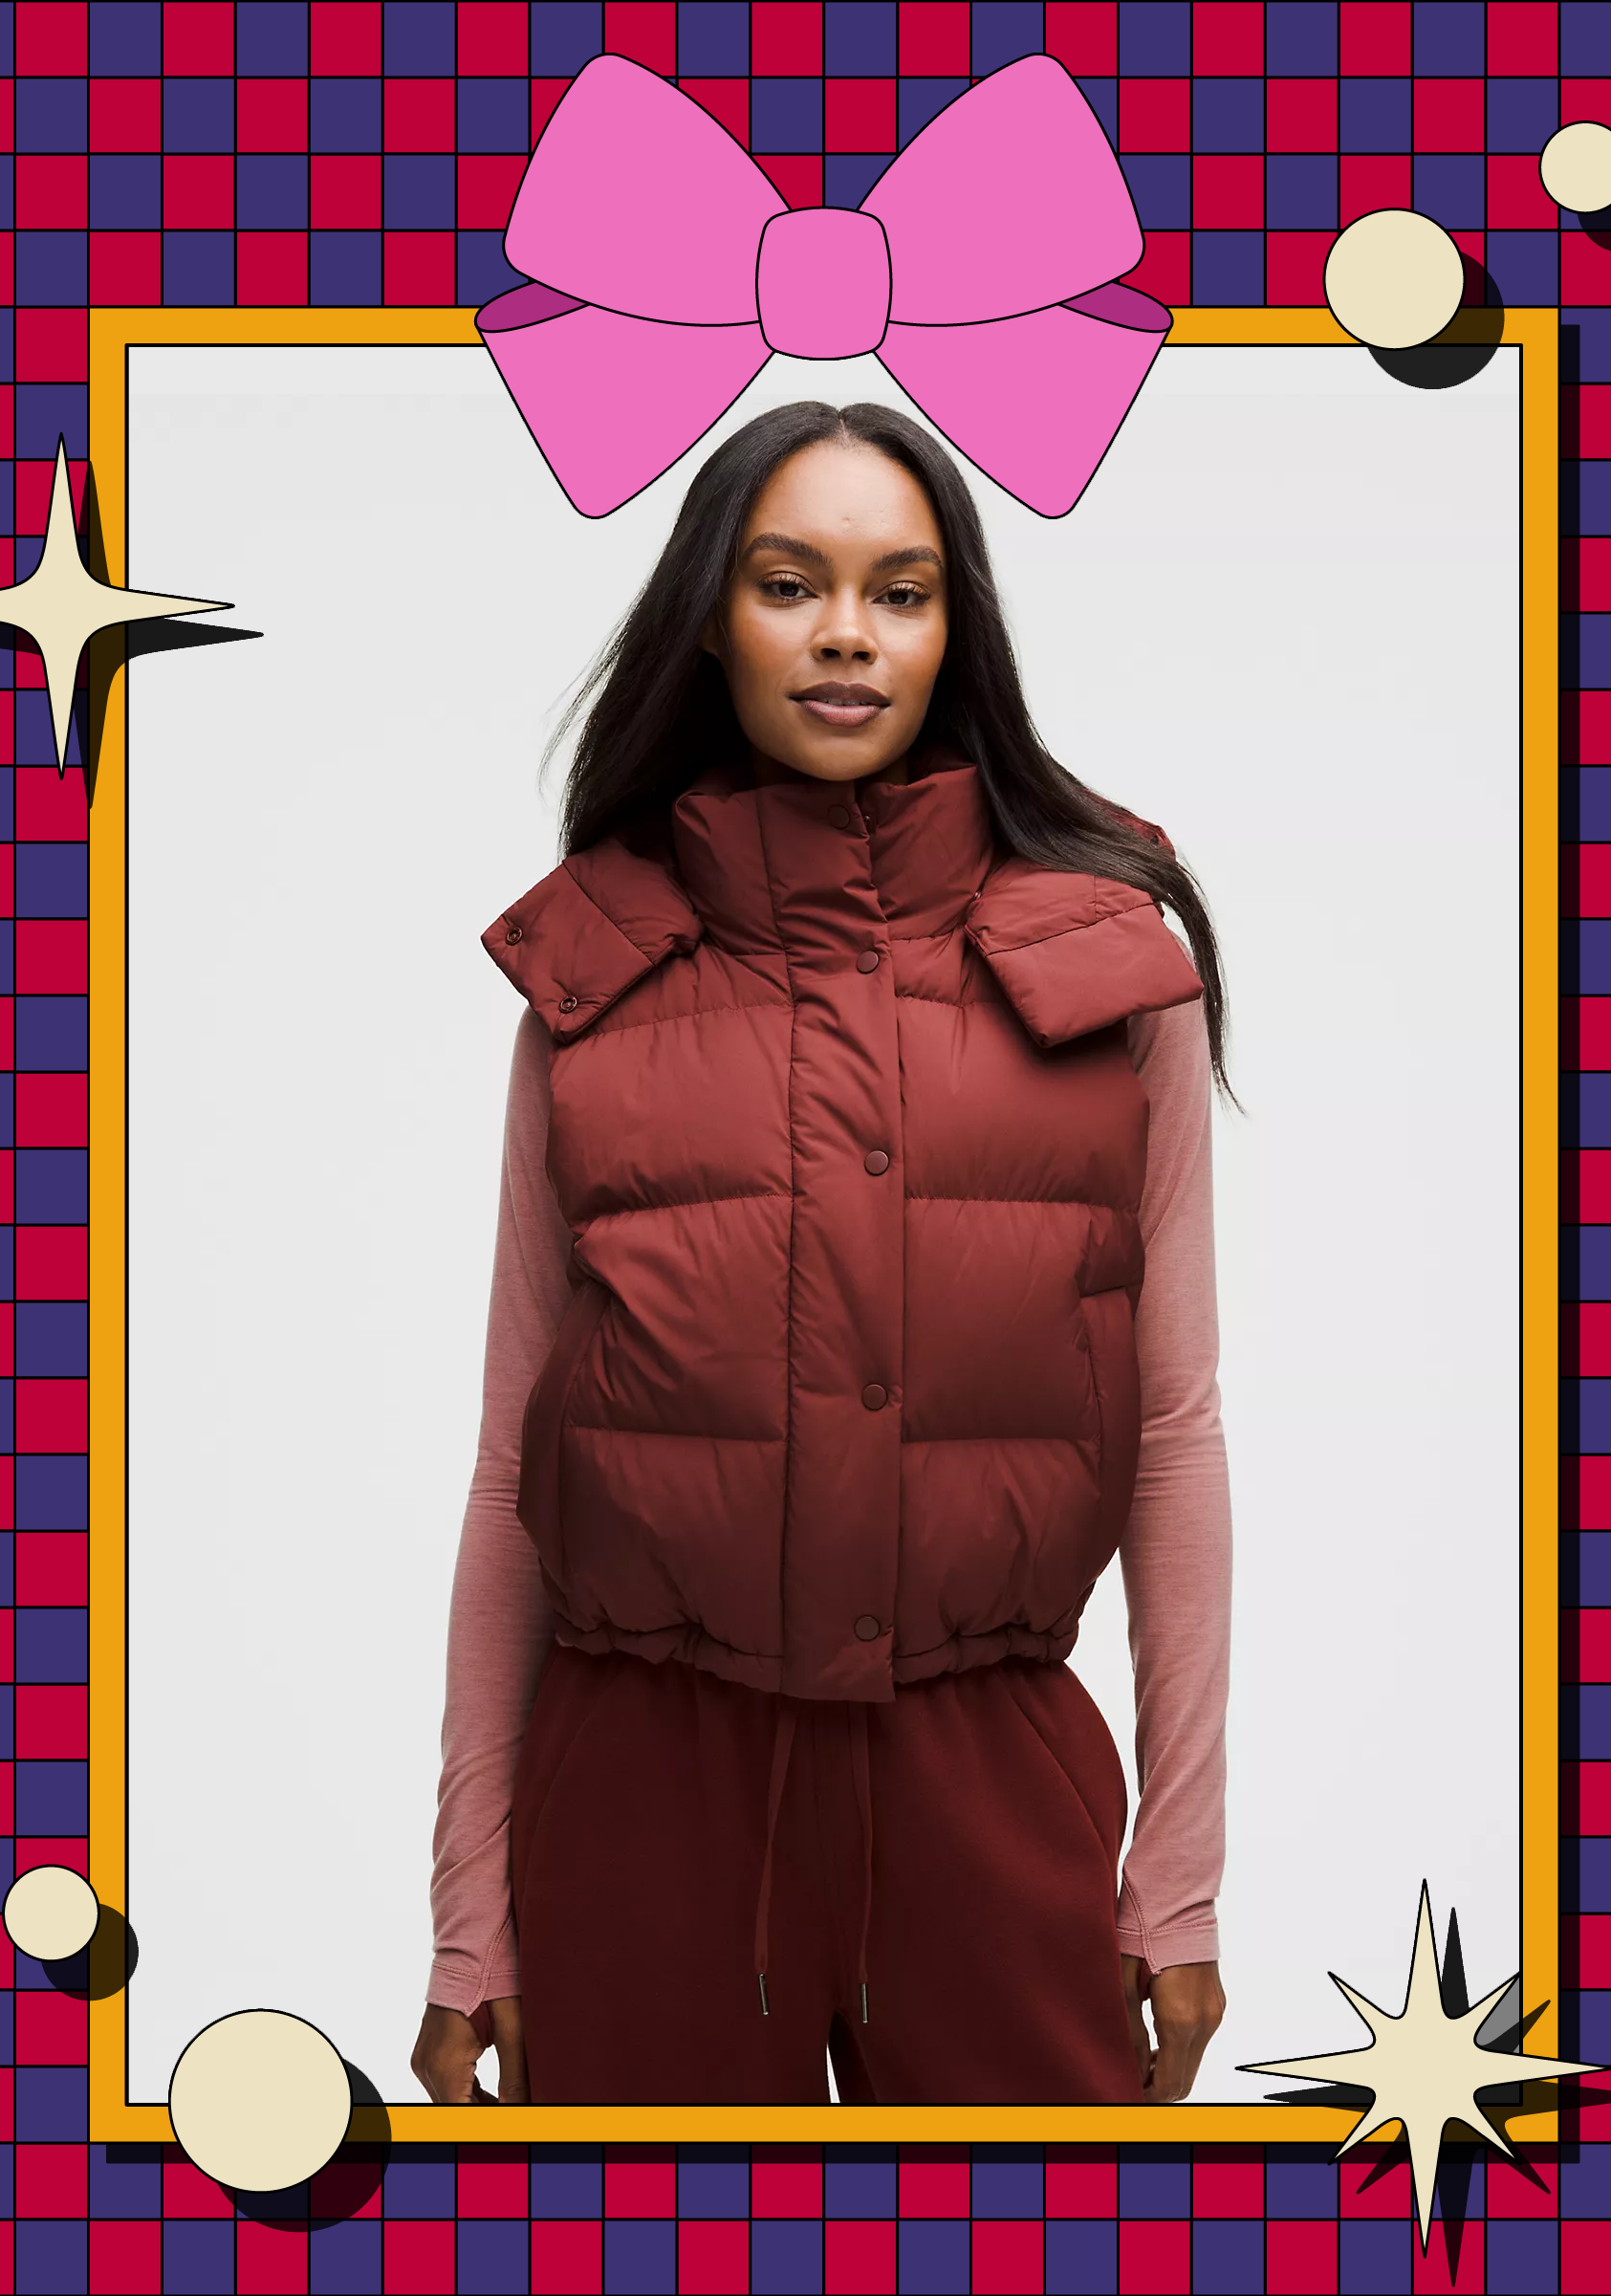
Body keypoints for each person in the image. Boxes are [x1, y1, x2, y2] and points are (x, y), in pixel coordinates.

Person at [411, 401, 1233, 2108]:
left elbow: (1172, 1432)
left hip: (989, 1772)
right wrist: (468, 1922)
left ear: (954, 628)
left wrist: (1182, 1872)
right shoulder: (597, 978)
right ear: (714, 618)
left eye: (900, 592)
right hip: (644, 1787)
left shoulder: (1108, 968)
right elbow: (510, 1464)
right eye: (790, 584)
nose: (848, 633)